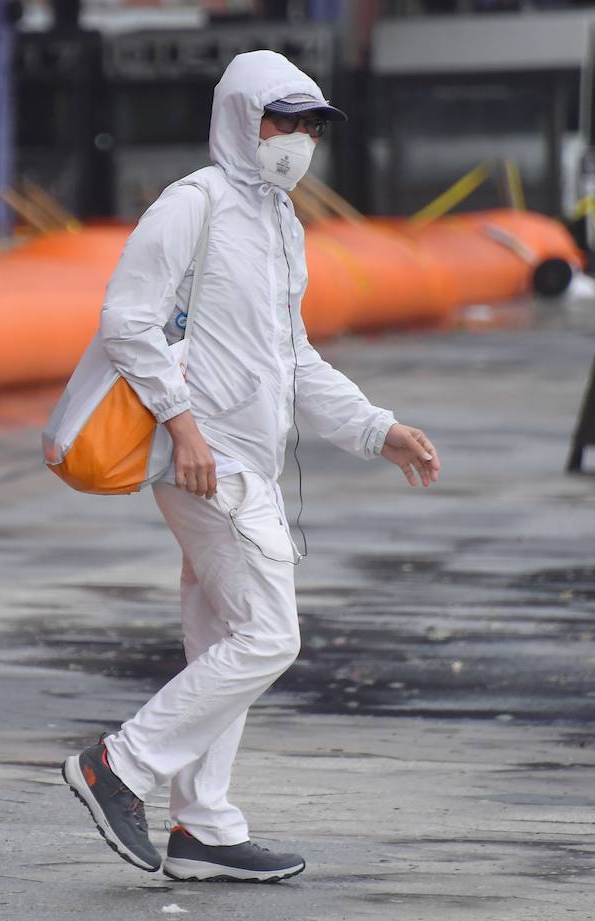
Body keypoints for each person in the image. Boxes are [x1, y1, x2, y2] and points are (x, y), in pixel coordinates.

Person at [62, 50, 440, 884]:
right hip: (208, 462)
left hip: (245, 461)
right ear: (240, 117)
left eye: (310, 126)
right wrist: (185, 427)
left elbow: (294, 358)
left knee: (223, 642)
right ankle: (118, 765)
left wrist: (379, 429)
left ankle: (202, 826)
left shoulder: (280, 224)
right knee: (270, 635)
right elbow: (127, 322)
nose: (298, 141)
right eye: (283, 120)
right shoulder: (190, 205)